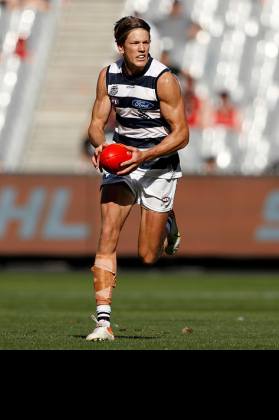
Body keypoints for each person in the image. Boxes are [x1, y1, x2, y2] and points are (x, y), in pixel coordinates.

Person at [87, 16, 189, 342]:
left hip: (157, 166)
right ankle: (103, 323)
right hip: (121, 165)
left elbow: (182, 135)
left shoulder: (164, 80)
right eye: (135, 43)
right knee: (107, 232)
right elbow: (95, 122)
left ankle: (168, 223)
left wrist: (144, 156)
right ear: (121, 47)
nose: (143, 48)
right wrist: (100, 145)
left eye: (146, 42)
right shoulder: (108, 75)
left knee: (148, 255)